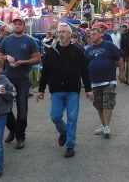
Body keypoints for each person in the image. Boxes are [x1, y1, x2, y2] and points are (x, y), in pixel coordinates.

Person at [37, 23, 93, 158]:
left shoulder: (78, 50)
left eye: (63, 31)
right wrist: (41, 90)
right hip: (56, 90)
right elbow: (45, 71)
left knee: (72, 118)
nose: (61, 34)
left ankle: (70, 146)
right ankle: (63, 132)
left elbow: (85, 71)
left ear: (69, 34)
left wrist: (88, 89)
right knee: (55, 116)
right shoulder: (51, 51)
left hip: (73, 90)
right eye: (59, 32)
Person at [0, 16, 41, 149]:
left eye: (19, 24)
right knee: (5, 108)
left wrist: (23, 62)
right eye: (15, 24)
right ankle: (13, 129)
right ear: (12, 25)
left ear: (23, 26)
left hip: (23, 80)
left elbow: (37, 58)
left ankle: (20, 137)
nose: (17, 26)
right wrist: (6, 58)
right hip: (7, 79)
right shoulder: (6, 40)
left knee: (22, 110)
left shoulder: (30, 41)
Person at [85, 27, 125, 138]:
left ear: (100, 35)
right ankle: (103, 125)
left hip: (109, 80)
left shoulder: (109, 45)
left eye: (93, 34)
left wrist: (122, 73)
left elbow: (119, 59)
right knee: (99, 105)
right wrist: (84, 81)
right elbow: (84, 66)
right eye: (90, 35)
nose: (91, 36)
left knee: (108, 103)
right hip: (94, 82)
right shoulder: (88, 50)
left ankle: (106, 126)